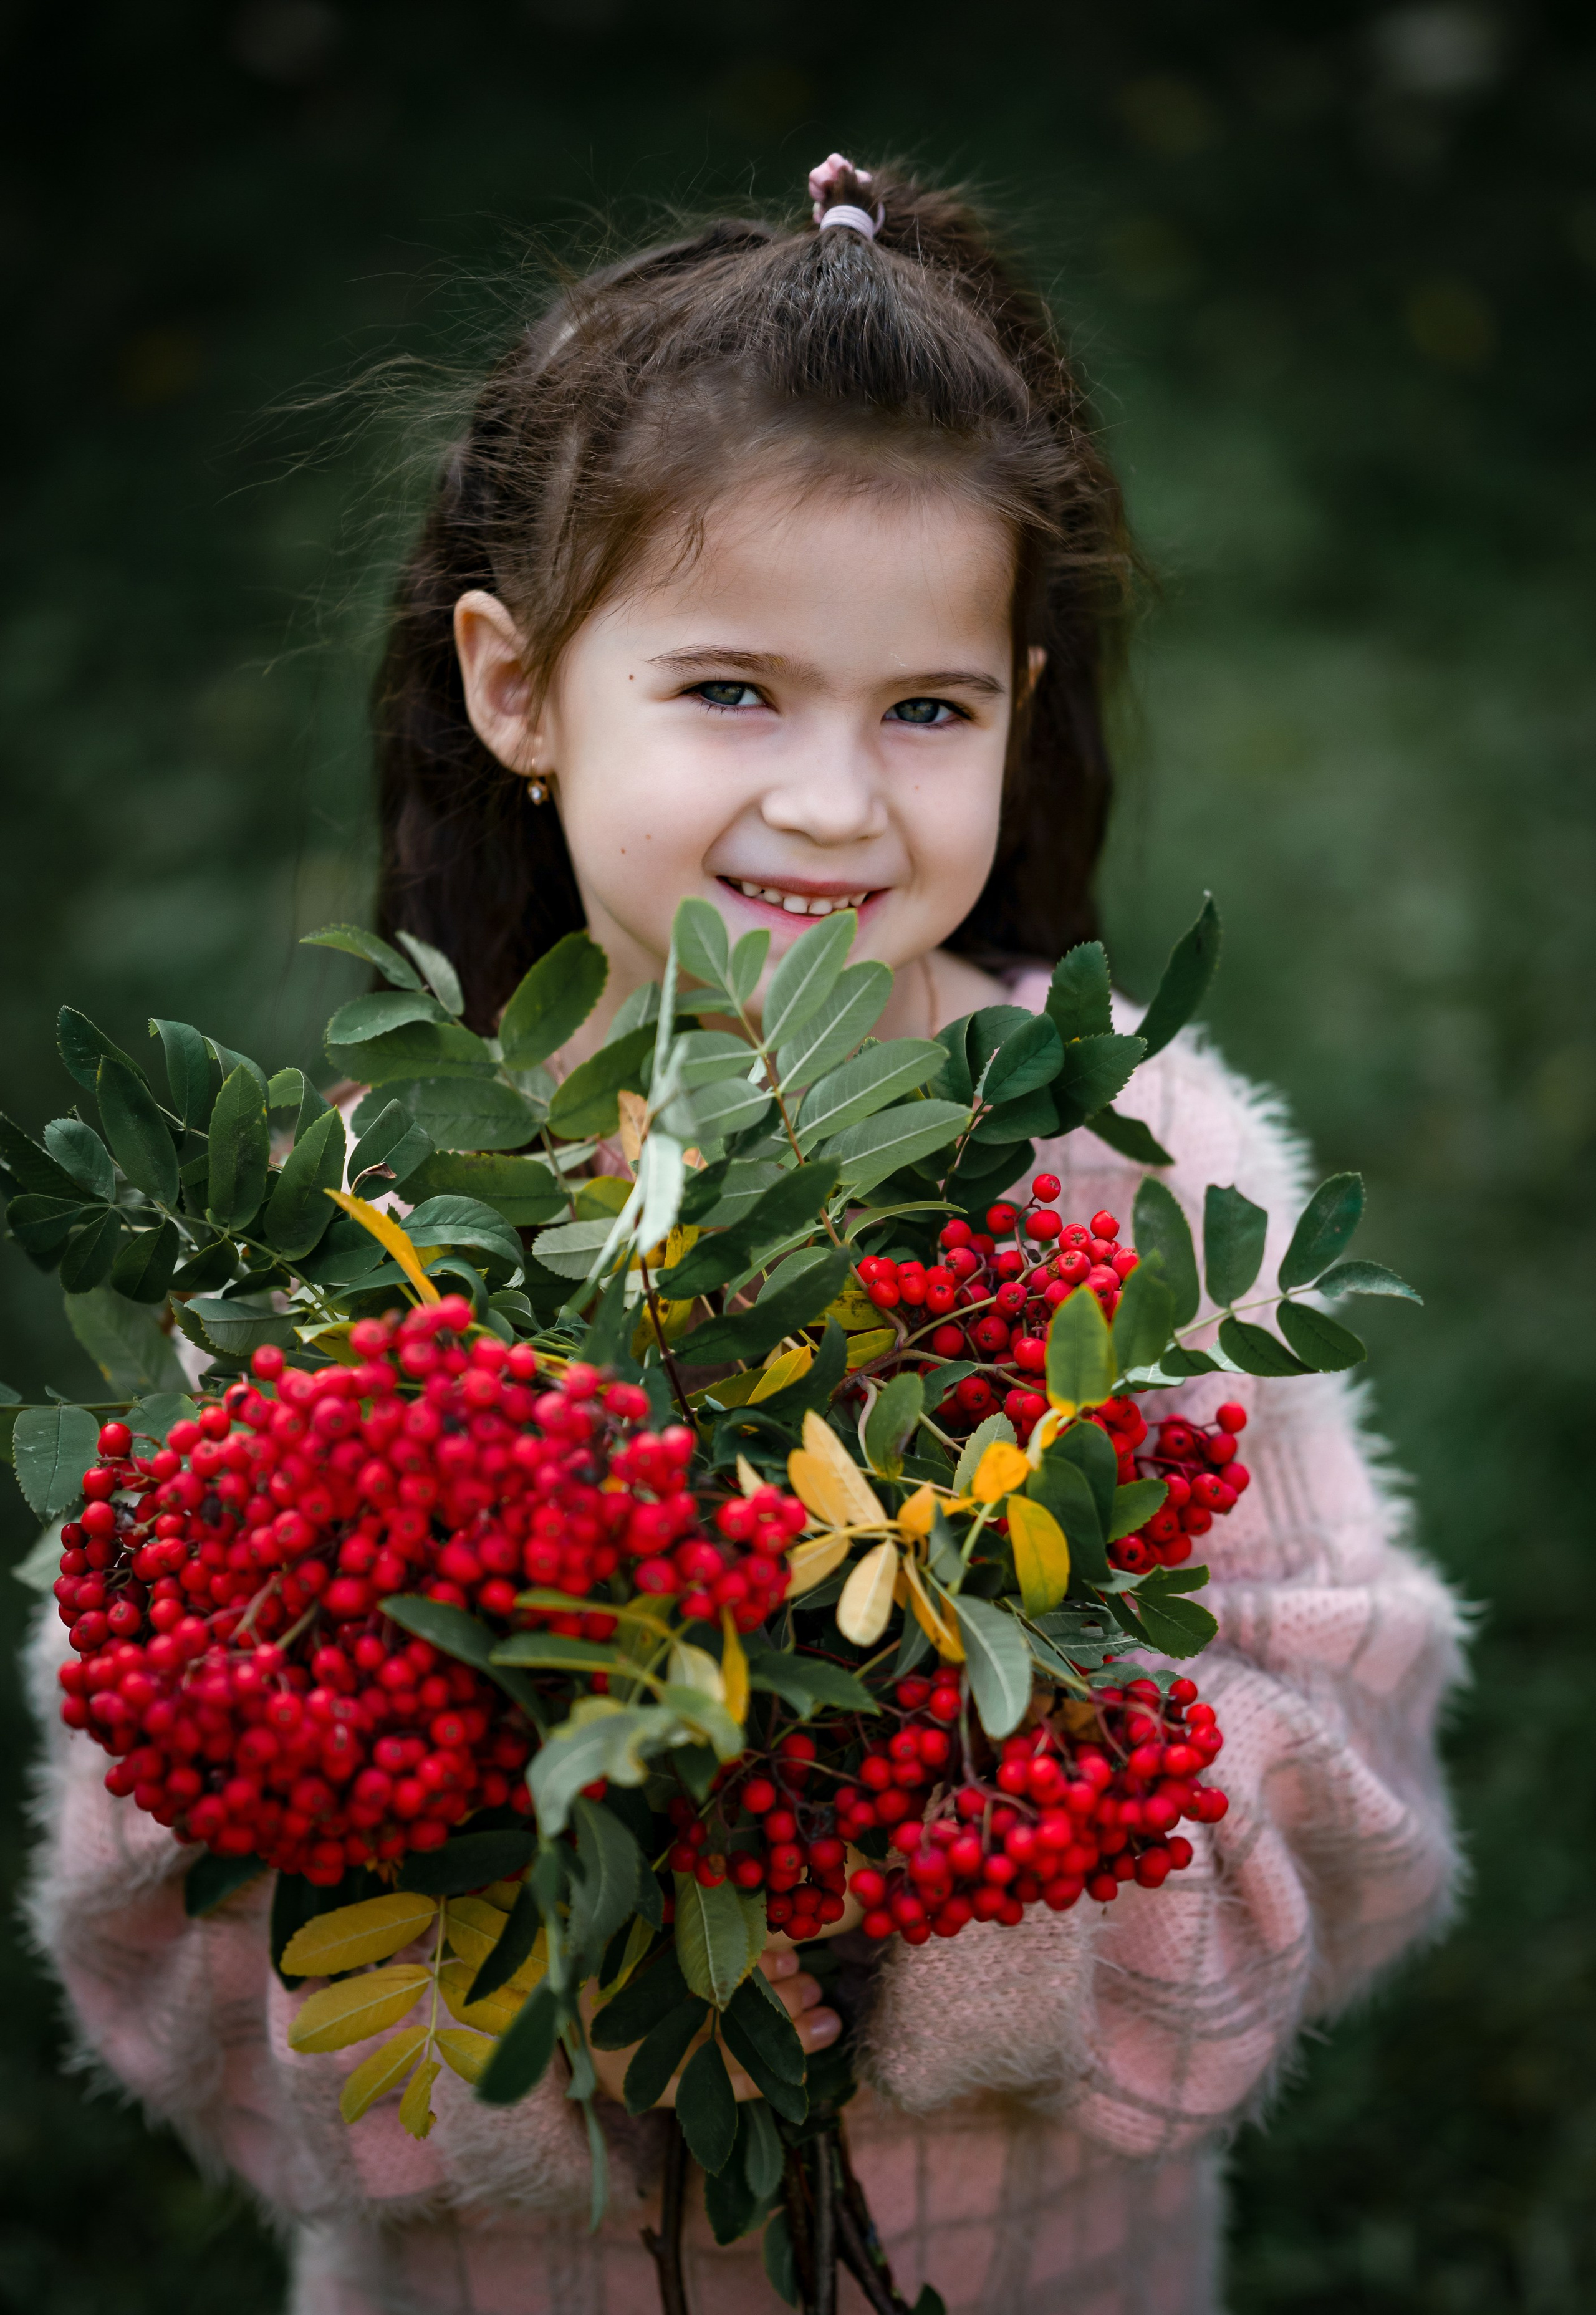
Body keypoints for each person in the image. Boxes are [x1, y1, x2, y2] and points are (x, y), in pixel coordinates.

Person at [26, 155, 1463, 2314]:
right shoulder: (352, 1243)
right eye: (730, 690)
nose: (832, 802)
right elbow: (152, 1868)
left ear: (1018, 694)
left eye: (926, 708)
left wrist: (964, 1912)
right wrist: (540, 1946)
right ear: (514, 687)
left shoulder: (1127, 1172)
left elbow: (1348, 1773)